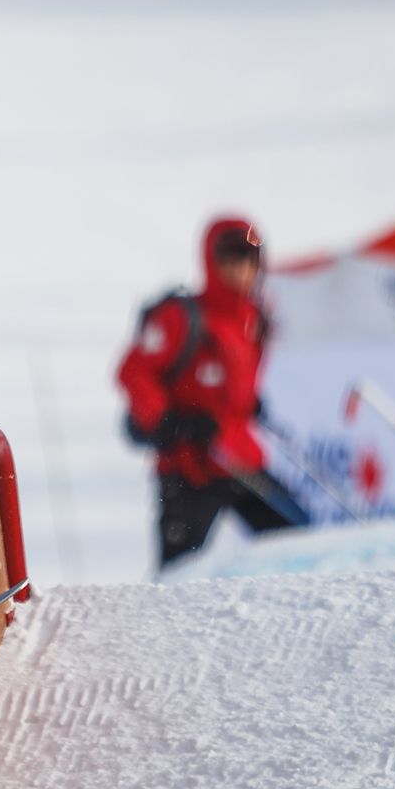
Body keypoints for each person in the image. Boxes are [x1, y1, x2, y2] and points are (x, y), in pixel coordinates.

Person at [116, 217, 303, 571]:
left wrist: (248, 404)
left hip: (238, 457)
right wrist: (170, 422)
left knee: (299, 544)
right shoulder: (180, 316)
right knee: (178, 574)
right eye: (230, 257)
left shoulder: (253, 319)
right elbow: (133, 371)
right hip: (188, 468)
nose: (240, 268)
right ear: (210, 259)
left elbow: (235, 381)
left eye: (250, 258)